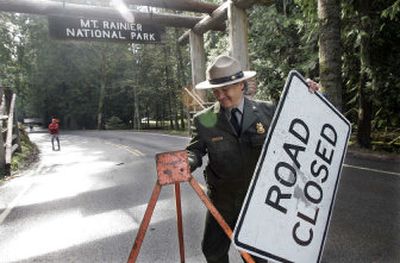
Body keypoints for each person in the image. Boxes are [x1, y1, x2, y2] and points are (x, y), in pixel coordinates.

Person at [186, 55, 319, 263]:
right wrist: (185, 162)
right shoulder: (204, 120)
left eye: (225, 89)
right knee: (212, 251)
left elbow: (301, 124)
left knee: (255, 257)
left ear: (241, 85)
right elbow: (194, 151)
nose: (220, 96)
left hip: (257, 202)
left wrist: (310, 95)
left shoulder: (268, 111)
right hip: (222, 201)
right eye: (215, 90)